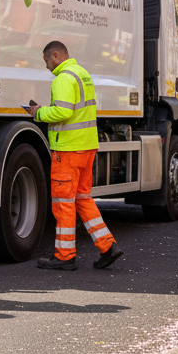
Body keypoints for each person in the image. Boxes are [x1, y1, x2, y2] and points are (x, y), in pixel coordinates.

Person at [25, 40, 124, 271]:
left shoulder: (63, 78)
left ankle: (65, 255)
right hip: (86, 148)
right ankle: (107, 247)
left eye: (47, 60)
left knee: (63, 204)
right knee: (82, 198)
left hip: (68, 151)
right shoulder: (82, 74)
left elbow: (63, 111)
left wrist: (37, 112)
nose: (47, 66)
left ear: (56, 55)